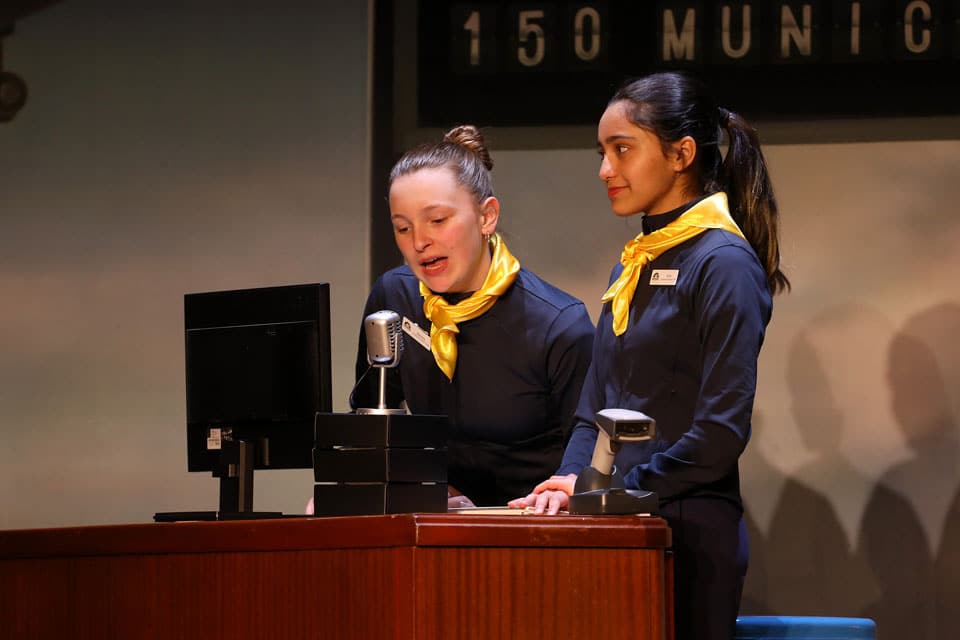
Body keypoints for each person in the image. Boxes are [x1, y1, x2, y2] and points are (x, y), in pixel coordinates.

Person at [508, 71, 790, 640]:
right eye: (603, 153)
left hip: (687, 533)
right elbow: (594, 407)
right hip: (619, 523)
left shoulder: (724, 263)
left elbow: (719, 435)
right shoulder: (635, 260)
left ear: (681, 154)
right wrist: (569, 479)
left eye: (622, 149)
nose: (605, 170)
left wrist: (607, 489)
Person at [349, 124, 595, 508]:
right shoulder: (394, 297)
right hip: (436, 515)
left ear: (487, 217)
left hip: (530, 519)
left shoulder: (559, 324)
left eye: (437, 220)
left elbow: (588, 438)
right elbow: (373, 416)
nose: (419, 242)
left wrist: (564, 488)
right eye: (403, 227)